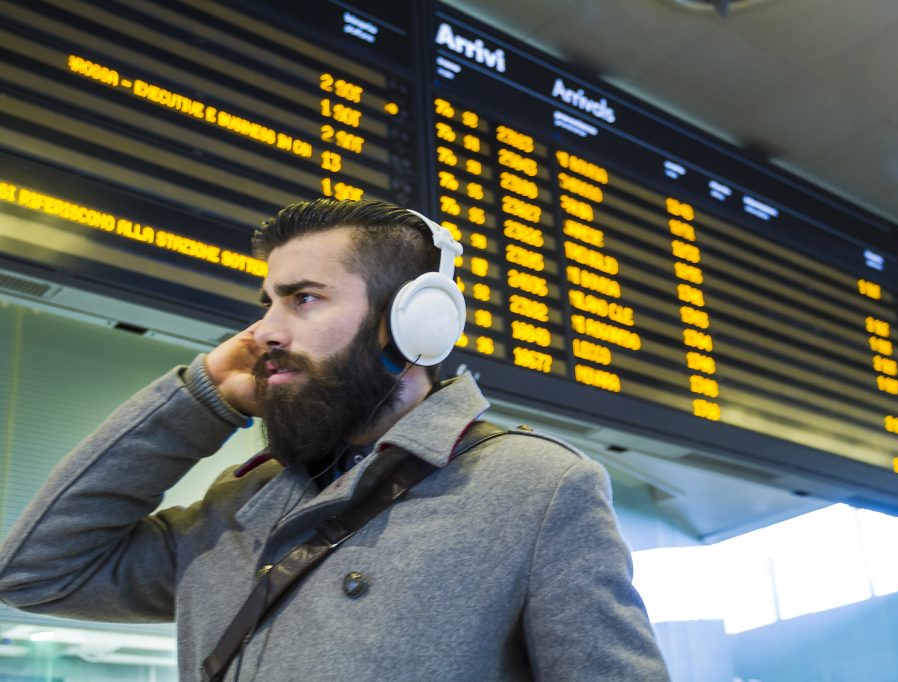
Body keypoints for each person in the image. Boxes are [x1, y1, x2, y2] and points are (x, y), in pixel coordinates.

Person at [0, 199, 669, 681]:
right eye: (266, 301)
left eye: (303, 299)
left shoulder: (535, 489)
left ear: (415, 324)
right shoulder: (241, 506)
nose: (263, 330)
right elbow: (37, 574)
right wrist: (201, 400)